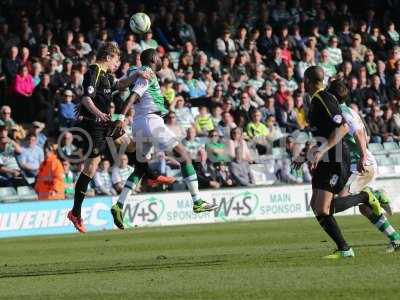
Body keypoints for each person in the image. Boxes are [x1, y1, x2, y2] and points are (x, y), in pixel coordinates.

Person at [110, 48, 217, 230]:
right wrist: (120, 117)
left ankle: (119, 205)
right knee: (184, 155)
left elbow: (122, 84)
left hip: (139, 122)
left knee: (141, 167)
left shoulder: (134, 72)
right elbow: (134, 94)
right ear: (153, 58)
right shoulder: (147, 73)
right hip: (151, 120)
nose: (161, 59)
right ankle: (197, 200)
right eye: (158, 57)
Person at [295, 66, 382, 259]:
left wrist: (323, 150)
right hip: (325, 157)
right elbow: (323, 134)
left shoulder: (323, 99)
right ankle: (344, 248)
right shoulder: (315, 101)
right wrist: (305, 155)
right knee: (316, 206)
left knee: (322, 208)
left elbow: (342, 128)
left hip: (335, 158)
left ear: (307, 81)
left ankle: (364, 198)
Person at [68, 42, 148, 233]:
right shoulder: (93, 71)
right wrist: (99, 113)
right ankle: (75, 213)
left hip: (106, 124)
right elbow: (86, 99)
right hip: (94, 125)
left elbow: (119, 84)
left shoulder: (106, 75)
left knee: (132, 147)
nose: (118, 63)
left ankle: (151, 176)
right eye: (117, 59)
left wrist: (136, 75)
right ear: (109, 56)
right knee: (90, 168)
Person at [328, 80, 400, 252]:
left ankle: (372, 194)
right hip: (362, 161)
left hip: (362, 163)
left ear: (332, 96)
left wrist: (362, 156)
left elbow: (360, 133)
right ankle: (395, 238)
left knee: (340, 200)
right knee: (364, 209)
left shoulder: (342, 113)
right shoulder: (349, 110)